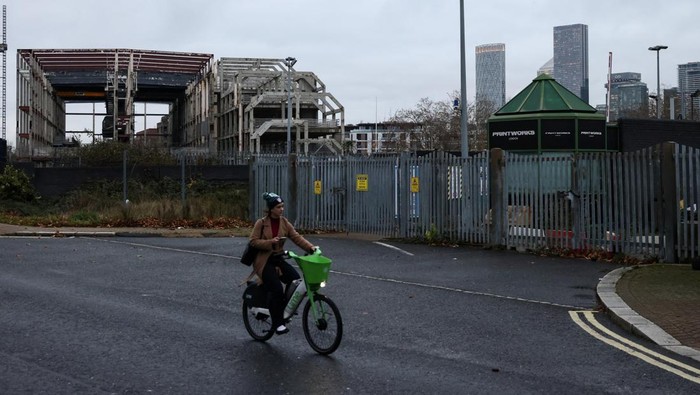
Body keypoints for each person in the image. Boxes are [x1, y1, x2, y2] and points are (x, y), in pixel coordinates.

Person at [248, 192, 317, 335]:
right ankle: (277, 323)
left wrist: (311, 248)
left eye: (283, 206)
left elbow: (297, 237)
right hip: (264, 261)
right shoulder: (261, 223)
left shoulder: (284, 223)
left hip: (278, 259)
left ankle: (284, 307)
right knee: (277, 289)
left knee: (295, 280)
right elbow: (253, 241)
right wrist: (269, 243)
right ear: (271, 209)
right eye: (279, 207)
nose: (282, 209)